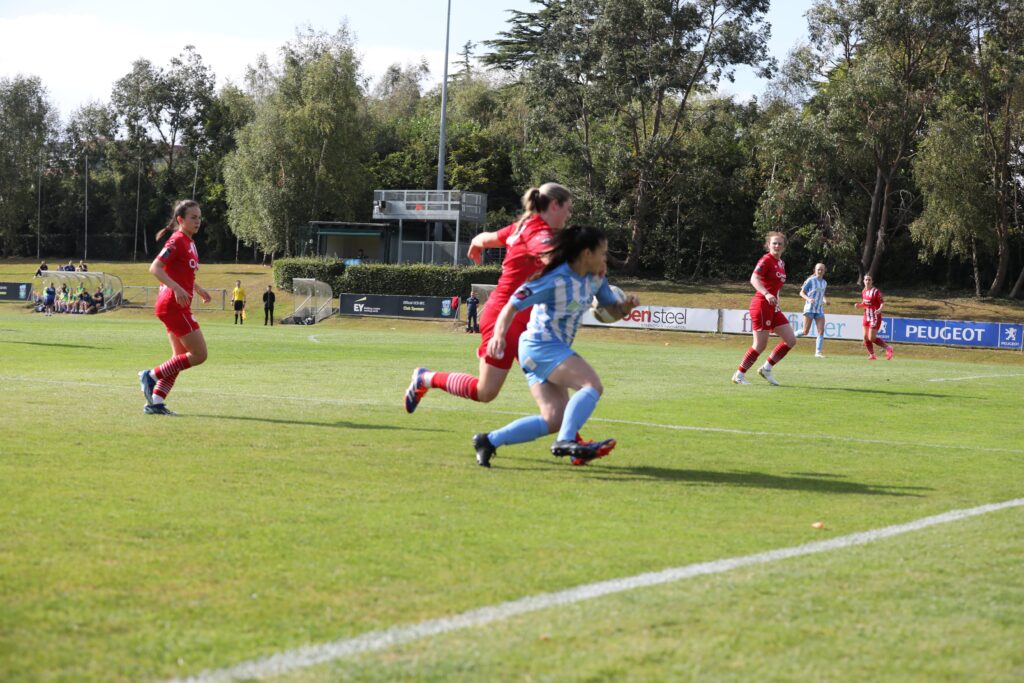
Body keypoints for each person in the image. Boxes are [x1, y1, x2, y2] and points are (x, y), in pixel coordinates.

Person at [471, 225, 638, 468]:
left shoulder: (596, 278)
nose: (606, 259)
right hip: (540, 345)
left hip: (545, 351)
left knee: (554, 418)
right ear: (586, 254)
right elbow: (513, 304)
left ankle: (488, 441)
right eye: (602, 253)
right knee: (592, 385)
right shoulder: (556, 278)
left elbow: (610, 309)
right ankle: (566, 441)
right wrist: (499, 335)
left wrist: (625, 307)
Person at [405, 183, 574, 411]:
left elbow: (486, 238)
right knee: (485, 391)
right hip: (504, 318)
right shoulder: (538, 233)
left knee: (554, 383)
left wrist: (475, 243)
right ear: (555, 205)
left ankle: (572, 440)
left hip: (525, 320)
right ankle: (426, 378)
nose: (569, 215)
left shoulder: (521, 228)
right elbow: (548, 253)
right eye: (568, 208)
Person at [138, 199, 212, 415]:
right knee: (199, 355)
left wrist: (197, 288)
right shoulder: (177, 240)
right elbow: (155, 268)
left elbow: (181, 273)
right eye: (193, 217)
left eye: (199, 217)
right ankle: (150, 375)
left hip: (176, 305)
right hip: (173, 306)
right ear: (181, 220)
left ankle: (156, 403)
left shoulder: (189, 242)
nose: (198, 221)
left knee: (179, 359)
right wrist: (176, 289)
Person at [732, 231, 797, 386]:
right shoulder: (766, 260)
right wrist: (767, 294)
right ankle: (739, 375)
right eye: (774, 243)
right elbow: (754, 278)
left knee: (790, 340)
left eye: (780, 243)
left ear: (784, 247)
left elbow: (777, 286)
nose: (777, 245)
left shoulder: (781, 264)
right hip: (761, 304)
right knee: (760, 345)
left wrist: (776, 299)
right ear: (768, 245)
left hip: (773, 307)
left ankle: (766, 369)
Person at [856, 274, 894, 360]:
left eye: (869, 280)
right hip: (866, 316)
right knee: (865, 337)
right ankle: (872, 355)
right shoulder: (864, 291)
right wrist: (859, 305)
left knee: (871, 338)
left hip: (875, 317)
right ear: (863, 281)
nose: (867, 281)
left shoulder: (876, 291)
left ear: (872, 281)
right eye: (866, 280)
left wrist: (880, 309)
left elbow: (882, 302)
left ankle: (888, 348)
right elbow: (865, 303)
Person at [794, 262, 829, 357]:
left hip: (819, 310)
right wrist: (809, 299)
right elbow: (801, 293)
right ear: (815, 270)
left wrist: (825, 300)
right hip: (809, 309)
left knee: (821, 331)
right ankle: (791, 336)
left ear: (824, 271)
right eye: (818, 269)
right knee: (805, 331)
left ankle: (818, 352)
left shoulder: (824, 282)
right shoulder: (810, 280)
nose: (820, 271)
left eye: (822, 269)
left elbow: (822, 294)